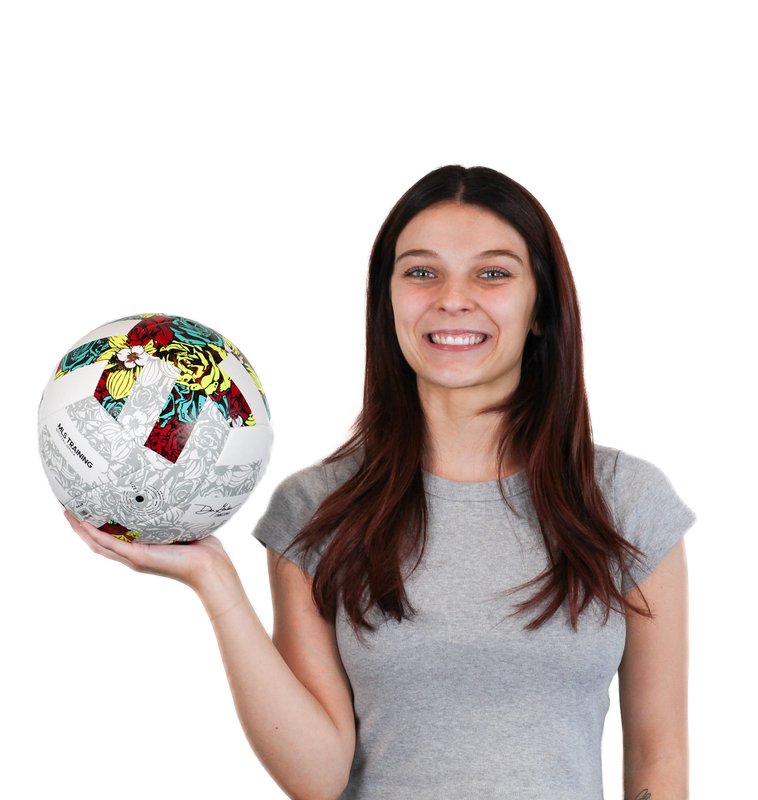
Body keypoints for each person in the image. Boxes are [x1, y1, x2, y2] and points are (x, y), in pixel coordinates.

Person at [66, 164, 696, 800]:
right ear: (386, 301)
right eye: (421, 272)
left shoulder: (626, 502)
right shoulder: (317, 510)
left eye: (493, 272)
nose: (453, 297)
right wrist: (215, 582)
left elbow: (659, 758)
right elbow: (317, 776)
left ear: (541, 309)